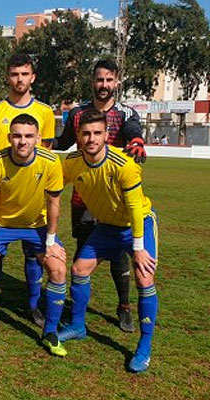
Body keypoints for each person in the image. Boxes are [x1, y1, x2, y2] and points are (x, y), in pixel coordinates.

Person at [59, 109, 158, 373]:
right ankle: (78, 326)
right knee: (79, 269)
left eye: (97, 133)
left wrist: (138, 248)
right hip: (107, 227)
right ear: (78, 136)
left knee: (144, 278)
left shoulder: (124, 165)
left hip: (138, 225)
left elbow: (136, 207)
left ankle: (144, 346)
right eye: (86, 133)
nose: (91, 138)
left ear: (106, 135)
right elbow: (52, 185)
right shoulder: (71, 163)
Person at [55, 59, 146, 333]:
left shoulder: (127, 112)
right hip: (84, 196)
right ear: (92, 81)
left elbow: (132, 133)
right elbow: (64, 142)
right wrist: (41, 144)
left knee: (119, 257)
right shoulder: (78, 113)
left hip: (116, 198)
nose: (104, 85)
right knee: (84, 252)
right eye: (99, 80)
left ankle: (123, 307)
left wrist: (136, 141)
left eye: (109, 80)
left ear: (117, 81)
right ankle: (78, 307)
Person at [0, 53, 57, 328]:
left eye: (24, 74)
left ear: (32, 77)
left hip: (33, 202)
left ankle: (34, 306)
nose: (19, 79)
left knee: (34, 257)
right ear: (7, 77)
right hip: (0, 199)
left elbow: (46, 157)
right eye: (14, 74)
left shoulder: (45, 112)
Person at [0, 113, 68, 357]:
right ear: (8, 138)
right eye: (17, 136)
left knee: (58, 267)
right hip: (3, 224)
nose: (22, 141)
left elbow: (54, 203)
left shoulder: (51, 162)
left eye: (28, 136)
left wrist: (50, 242)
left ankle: (50, 333)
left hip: (37, 225)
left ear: (38, 138)